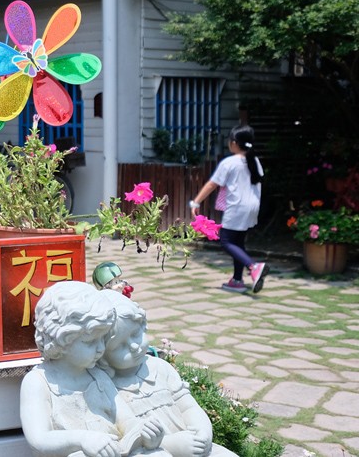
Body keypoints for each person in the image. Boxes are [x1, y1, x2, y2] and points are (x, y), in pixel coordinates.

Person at [20, 281, 167, 457]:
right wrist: (83, 439)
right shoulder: (37, 382)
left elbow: (127, 421)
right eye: (91, 342)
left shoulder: (98, 377)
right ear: (62, 339)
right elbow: (39, 439)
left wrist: (144, 432)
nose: (100, 348)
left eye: (102, 340)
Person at [98, 290, 237, 457]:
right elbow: (123, 439)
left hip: (191, 445)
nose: (134, 346)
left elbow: (188, 406)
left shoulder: (160, 368)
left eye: (135, 334)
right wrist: (171, 445)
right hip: (150, 451)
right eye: (120, 346)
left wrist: (203, 433)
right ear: (101, 354)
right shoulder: (106, 387)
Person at [189, 125, 268, 293]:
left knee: (226, 241)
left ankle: (253, 267)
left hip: (237, 206)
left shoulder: (230, 162)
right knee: (237, 242)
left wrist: (196, 202)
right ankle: (237, 280)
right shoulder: (255, 161)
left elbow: (212, 184)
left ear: (234, 143)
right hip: (252, 206)